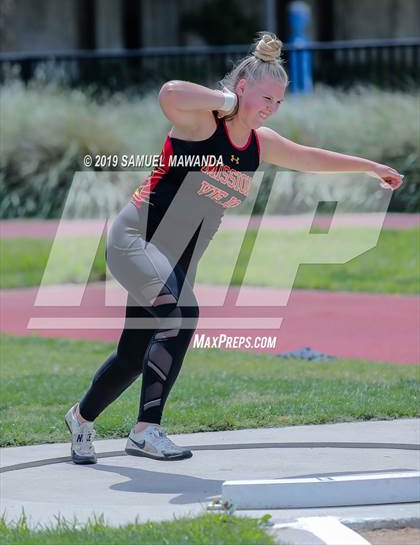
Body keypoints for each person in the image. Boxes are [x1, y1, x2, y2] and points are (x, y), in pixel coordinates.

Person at [65, 32, 404, 465]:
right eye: (265, 97)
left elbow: (309, 157)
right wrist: (224, 102)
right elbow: (170, 94)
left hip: (175, 258)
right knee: (181, 314)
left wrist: (371, 168)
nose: (271, 108)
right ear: (242, 87)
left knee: (133, 355)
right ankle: (146, 430)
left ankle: (81, 417)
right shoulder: (203, 123)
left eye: (278, 103)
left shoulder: (258, 144)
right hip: (136, 240)